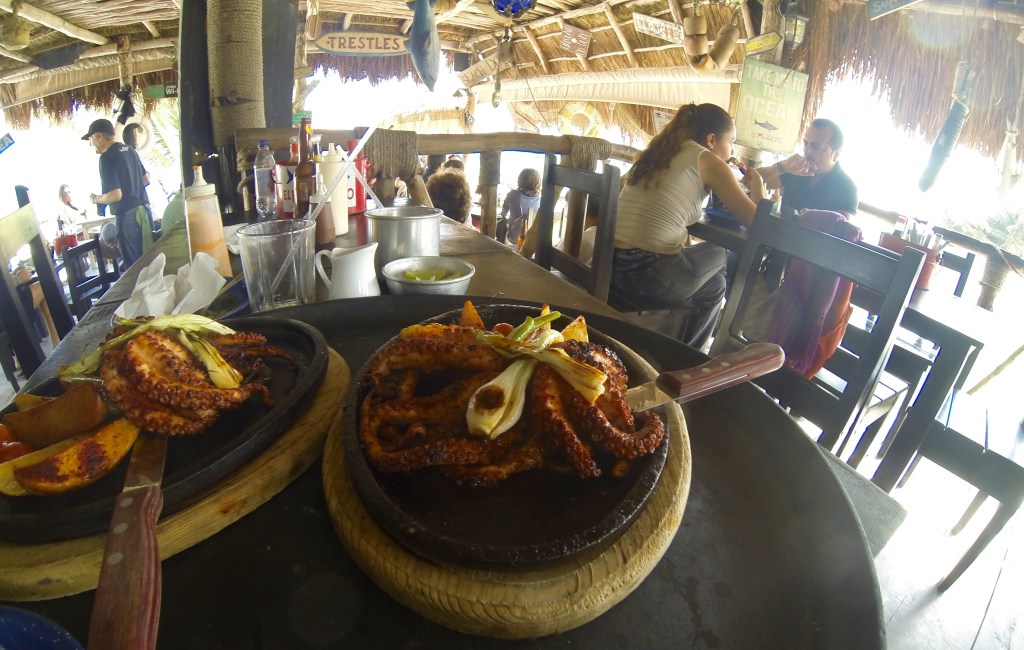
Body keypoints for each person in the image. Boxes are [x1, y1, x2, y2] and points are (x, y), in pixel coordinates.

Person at [612, 102, 765, 350]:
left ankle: (688, 354)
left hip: (613, 266)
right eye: (731, 142)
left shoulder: (662, 152)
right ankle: (691, 356)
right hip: (649, 276)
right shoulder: (708, 160)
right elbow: (758, 223)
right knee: (719, 254)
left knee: (716, 286)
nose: (731, 151)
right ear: (712, 140)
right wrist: (759, 185)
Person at [83, 118, 154, 268]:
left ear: (99, 136)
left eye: (91, 139)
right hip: (145, 211)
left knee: (134, 267)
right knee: (150, 261)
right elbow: (146, 180)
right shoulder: (130, 150)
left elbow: (115, 195)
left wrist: (96, 199)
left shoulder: (106, 158)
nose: (91, 143)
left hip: (128, 217)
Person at [753, 118, 858, 219]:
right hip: (778, 230)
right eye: (806, 143)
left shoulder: (847, 187)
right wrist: (783, 166)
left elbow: (842, 225)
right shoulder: (796, 169)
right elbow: (750, 182)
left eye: (816, 147)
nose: (808, 152)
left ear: (836, 154)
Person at [501, 168, 541, 246]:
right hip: (532, 241)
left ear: (521, 180)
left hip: (513, 240)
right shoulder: (541, 200)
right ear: (538, 183)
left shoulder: (512, 194)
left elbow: (503, 213)